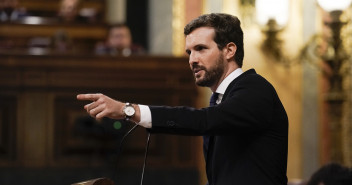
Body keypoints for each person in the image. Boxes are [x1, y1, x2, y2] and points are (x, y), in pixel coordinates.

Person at [77, 13, 288, 185]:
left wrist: (129, 110)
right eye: (189, 52)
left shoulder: (255, 88)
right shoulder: (221, 99)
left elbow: (203, 120)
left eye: (201, 49)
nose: (192, 60)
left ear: (230, 50)